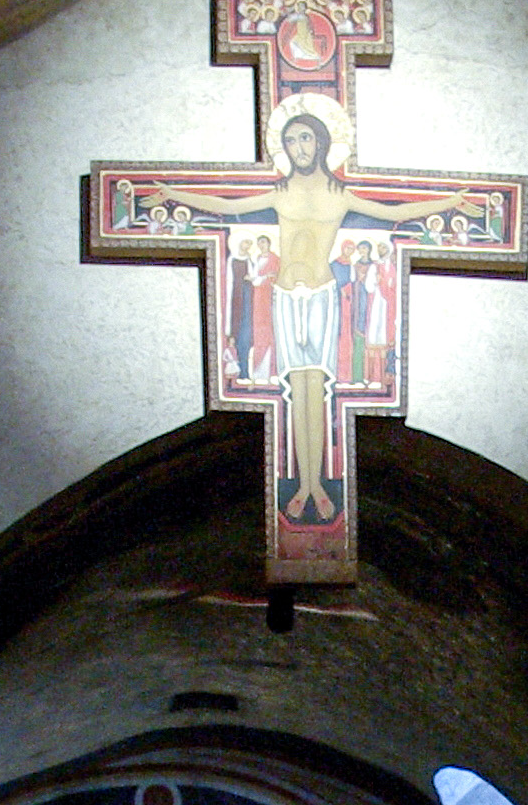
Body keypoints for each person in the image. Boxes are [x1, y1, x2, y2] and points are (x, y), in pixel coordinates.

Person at [133, 110, 501, 520]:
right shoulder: (279, 192)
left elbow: (395, 213)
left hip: (322, 296)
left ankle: (316, 484)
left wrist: (451, 202)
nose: (299, 148)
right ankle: (306, 483)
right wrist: (172, 195)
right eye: (291, 141)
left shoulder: (340, 195)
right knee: (295, 391)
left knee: (318, 392)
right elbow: (224, 205)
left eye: (306, 139)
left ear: (321, 143)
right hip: (286, 296)